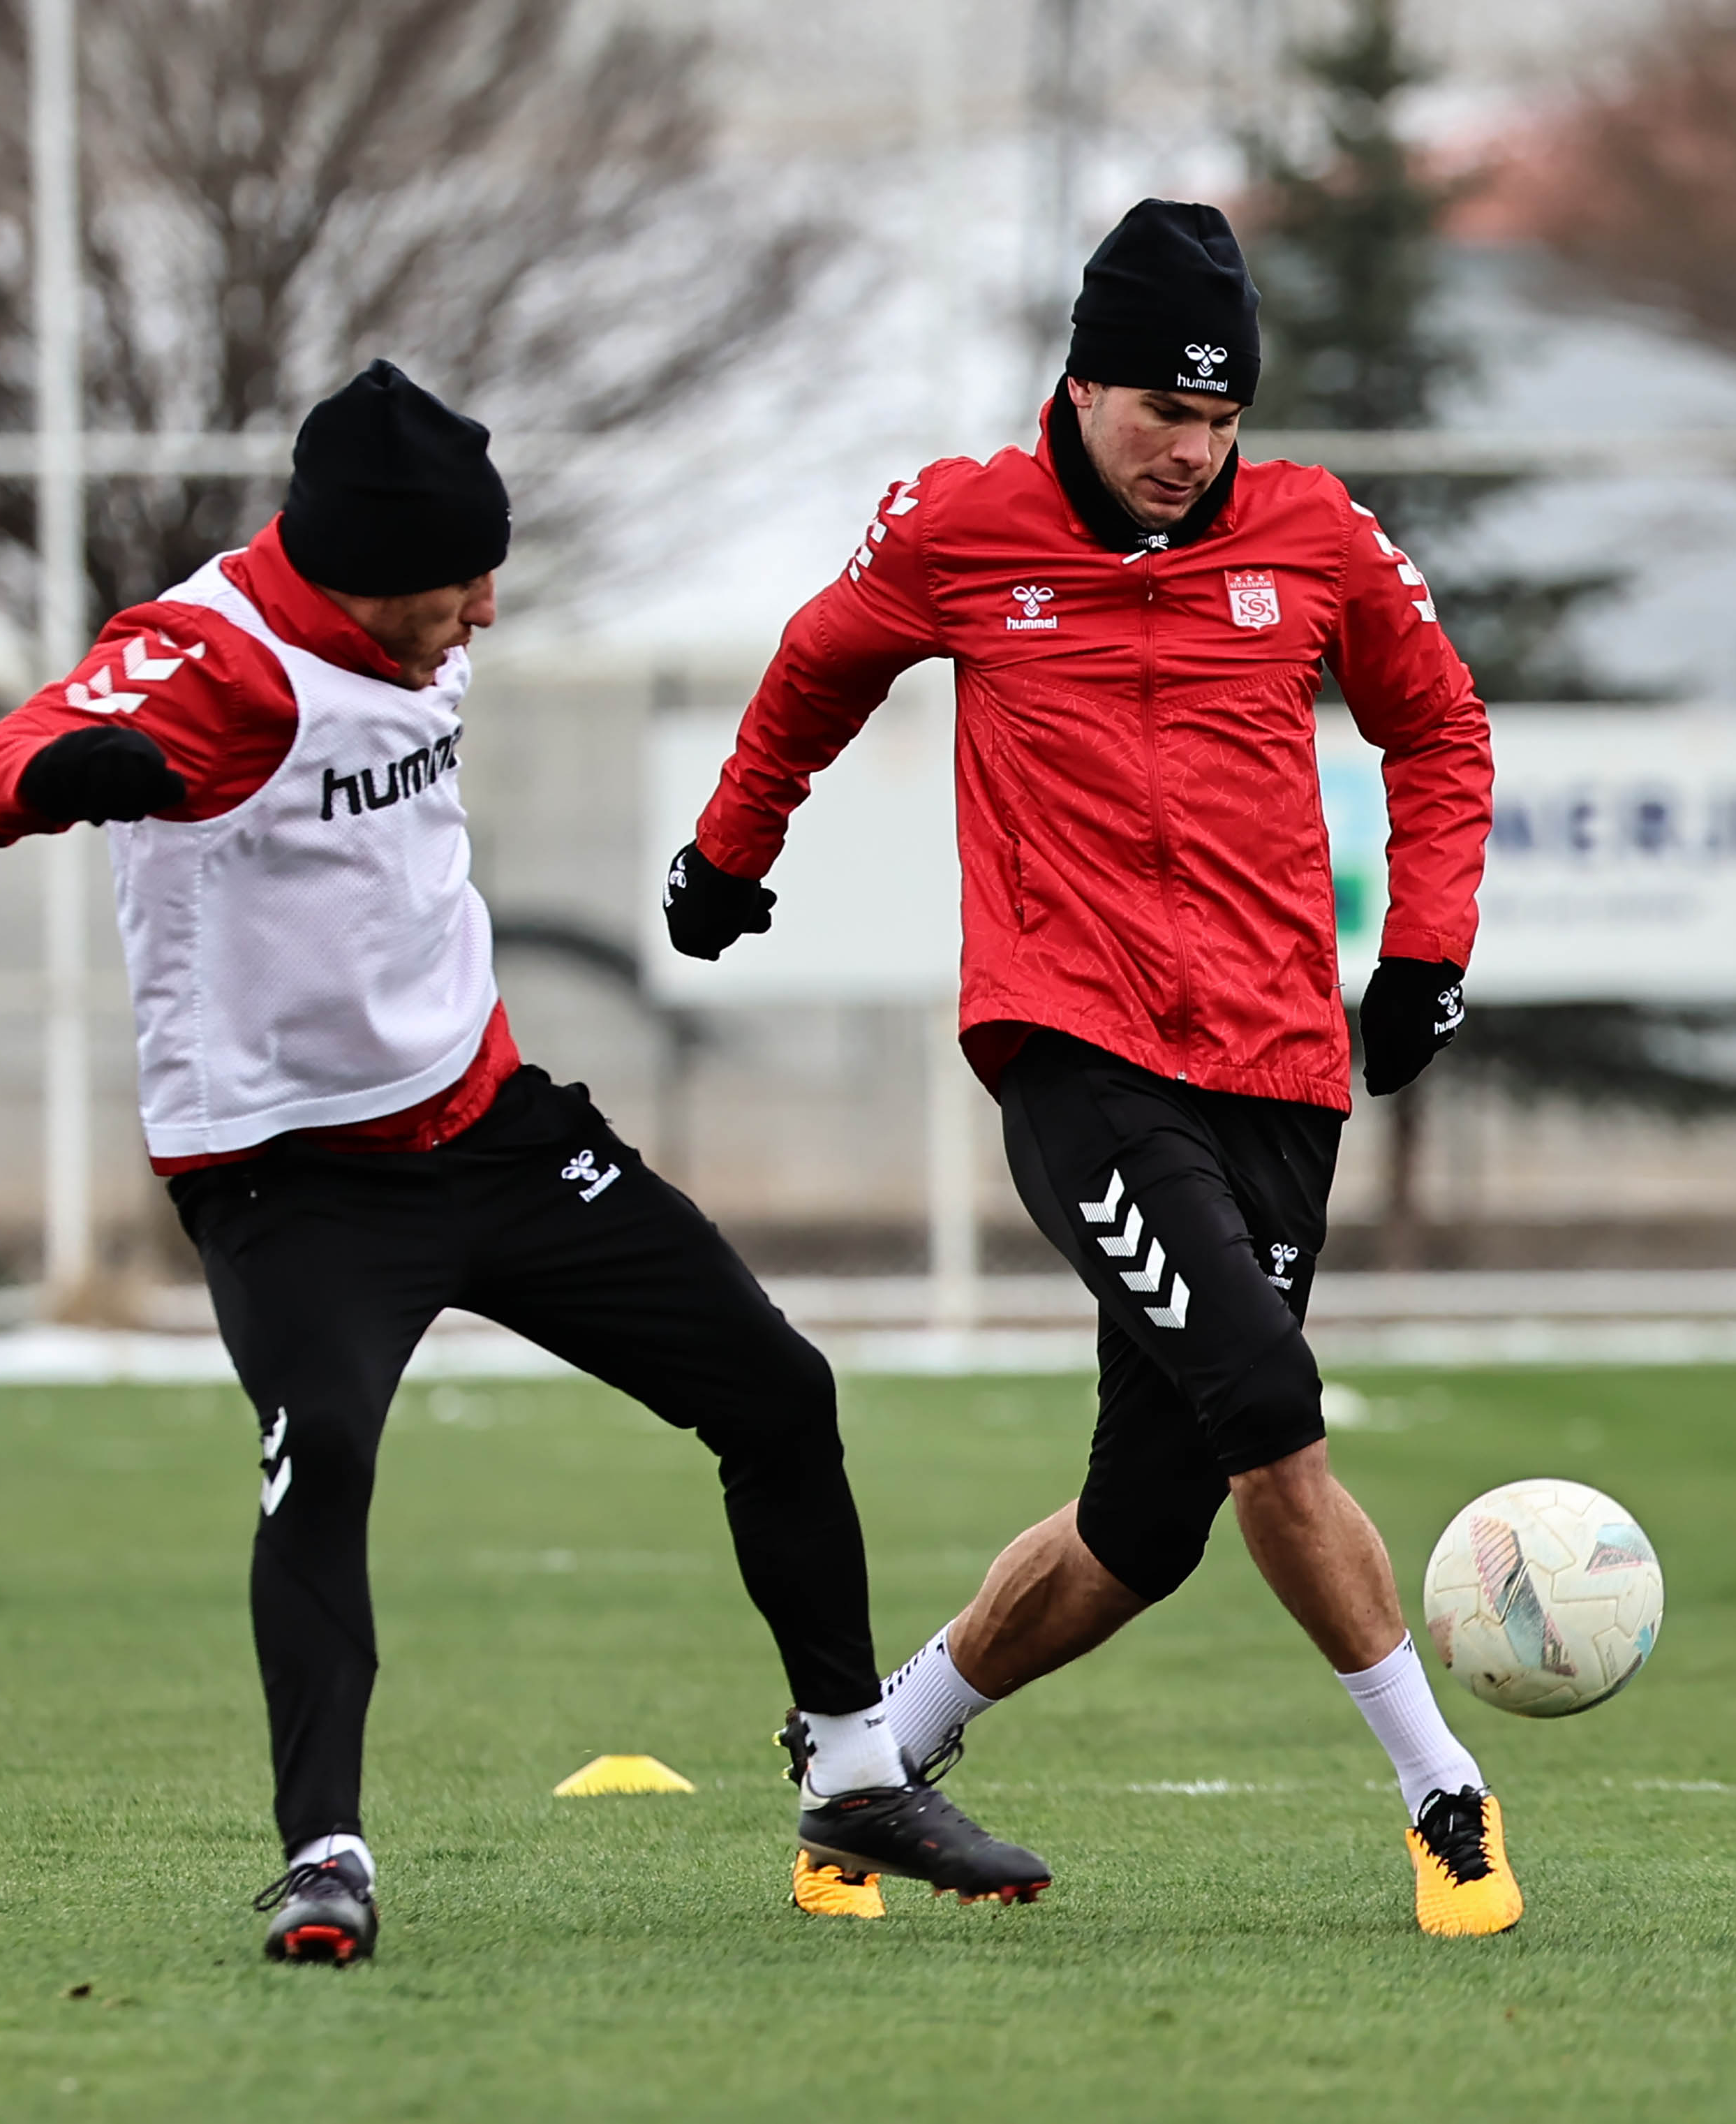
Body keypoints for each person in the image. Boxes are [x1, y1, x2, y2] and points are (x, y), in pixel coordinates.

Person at [0, 361, 1048, 1962]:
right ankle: (323, 1857)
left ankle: (854, 1773)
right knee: (324, 1469)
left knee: (777, 1392)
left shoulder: (415, 628)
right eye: (459, 586)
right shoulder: (200, 662)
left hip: (491, 1126)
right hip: (288, 1177)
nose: (487, 615)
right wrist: (61, 776)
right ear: (362, 572)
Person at [664, 202, 1514, 1938]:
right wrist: (730, 852)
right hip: (1072, 1049)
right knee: (1270, 1409)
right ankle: (1447, 1799)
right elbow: (816, 675)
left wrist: (1425, 947)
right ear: (1083, 382)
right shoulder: (959, 525)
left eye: (1218, 425)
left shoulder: (1312, 533)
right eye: (1160, 418)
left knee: (1148, 1525)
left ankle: (871, 1763)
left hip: (1276, 1066)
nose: (1190, 457)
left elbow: (1435, 722)